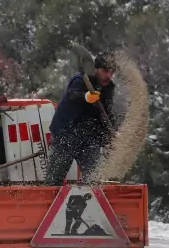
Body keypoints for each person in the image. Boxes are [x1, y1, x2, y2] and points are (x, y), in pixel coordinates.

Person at [46, 54, 117, 184]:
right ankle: (46, 202)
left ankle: (90, 202)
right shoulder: (82, 80)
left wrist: (111, 136)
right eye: (105, 71)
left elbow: (106, 114)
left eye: (112, 73)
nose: (108, 76)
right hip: (66, 135)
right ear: (96, 69)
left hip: (89, 139)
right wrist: (86, 97)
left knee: (95, 180)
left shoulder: (108, 88)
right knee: (53, 181)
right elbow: (71, 95)